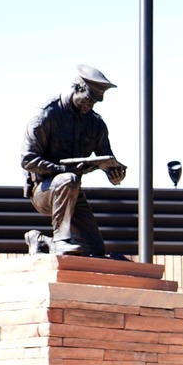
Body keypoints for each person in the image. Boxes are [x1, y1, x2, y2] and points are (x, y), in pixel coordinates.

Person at [21, 65, 127, 257]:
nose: (91, 105)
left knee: (95, 249)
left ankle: (41, 240)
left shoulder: (95, 124)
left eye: (95, 102)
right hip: (44, 192)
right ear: (77, 88)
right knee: (68, 179)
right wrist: (60, 169)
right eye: (88, 99)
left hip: (72, 191)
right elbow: (28, 159)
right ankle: (61, 240)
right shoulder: (47, 115)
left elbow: (107, 157)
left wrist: (114, 173)